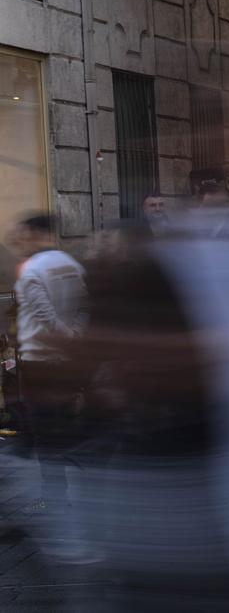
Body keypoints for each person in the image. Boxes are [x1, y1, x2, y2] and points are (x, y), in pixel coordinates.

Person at [8, 215, 91, 561]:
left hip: (39, 364)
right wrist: (75, 341)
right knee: (60, 427)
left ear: (37, 233)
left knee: (45, 434)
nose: (20, 240)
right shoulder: (71, 265)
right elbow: (84, 308)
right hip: (67, 362)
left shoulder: (31, 272)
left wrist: (63, 339)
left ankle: (53, 499)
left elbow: (44, 317)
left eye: (24, 234)